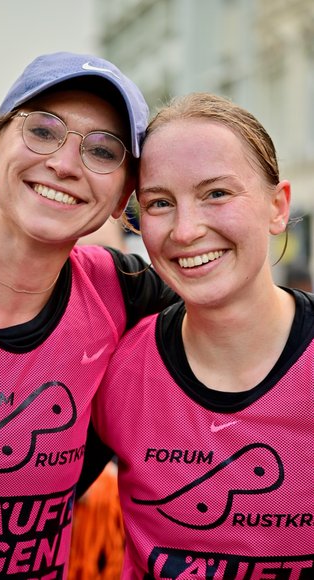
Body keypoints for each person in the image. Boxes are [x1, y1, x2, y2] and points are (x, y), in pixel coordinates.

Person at [0, 51, 179, 579]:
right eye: (42, 131)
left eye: (103, 150)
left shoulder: (125, 293)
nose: (65, 164)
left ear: (120, 202)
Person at [83, 93, 314, 577]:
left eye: (216, 193)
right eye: (160, 203)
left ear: (277, 207)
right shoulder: (115, 369)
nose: (186, 231)